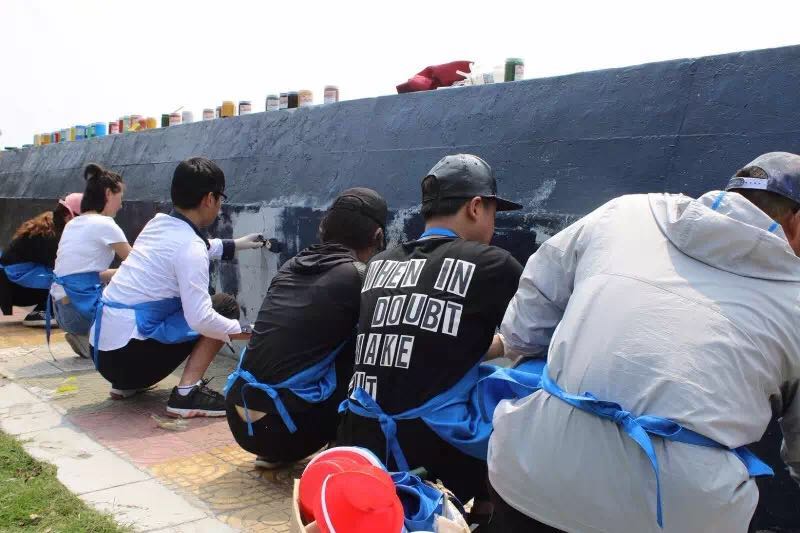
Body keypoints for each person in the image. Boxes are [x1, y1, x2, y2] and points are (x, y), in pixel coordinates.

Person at [487, 151, 800, 533]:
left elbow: (526, 322)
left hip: (526, 476)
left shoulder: (624, 212)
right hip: (678, 516)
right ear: (797, 221)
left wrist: (527, 351)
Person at [337, 154, 524, 514]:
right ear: (475, 207)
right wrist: (509, 345)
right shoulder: (492, 263)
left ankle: (483, 505)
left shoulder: (379, 263)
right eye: (493, 213)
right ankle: (494, 506)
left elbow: (428, 344)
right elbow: (540, 338)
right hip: (428, 458)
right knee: (524, 380)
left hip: (360, 442)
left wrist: (498, 345)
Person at [225, 188, 387, 469]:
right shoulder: (359, 275)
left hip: (239, 418)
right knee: (370, 348)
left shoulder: (290, 266)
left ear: (323, 229)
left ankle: (275, 451)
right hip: (286, 431)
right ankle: (344, 445)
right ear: (378, 237)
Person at [90, 157, 264, 415]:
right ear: (209, 199)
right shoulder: (189, 246)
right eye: (220, 198)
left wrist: (238, 244)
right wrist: (249, 331)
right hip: (128, 360)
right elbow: (201, 319)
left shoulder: (158, 224)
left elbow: (198, 247)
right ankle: (186, 394)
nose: (219, 206)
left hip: (103, 354)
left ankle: (125, 386)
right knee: (223, 306)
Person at [51, 163, 131, 358]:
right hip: (80, 312)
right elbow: (139, 264)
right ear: (108, 193)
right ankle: (97, 340)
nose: (121, 205)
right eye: (120, 197)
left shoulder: (73, 224)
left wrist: (119, 272)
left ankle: (86, 336)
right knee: (138, 311)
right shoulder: (105, 224)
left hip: (61, 311)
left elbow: (84, 274)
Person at [0, 193, 82, 326]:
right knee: (67, 278)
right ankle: (47, 312)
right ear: (68, 217)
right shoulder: (51, 236)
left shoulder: (50, 225)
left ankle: (44, 310)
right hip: (13, 286)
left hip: (11, 283)